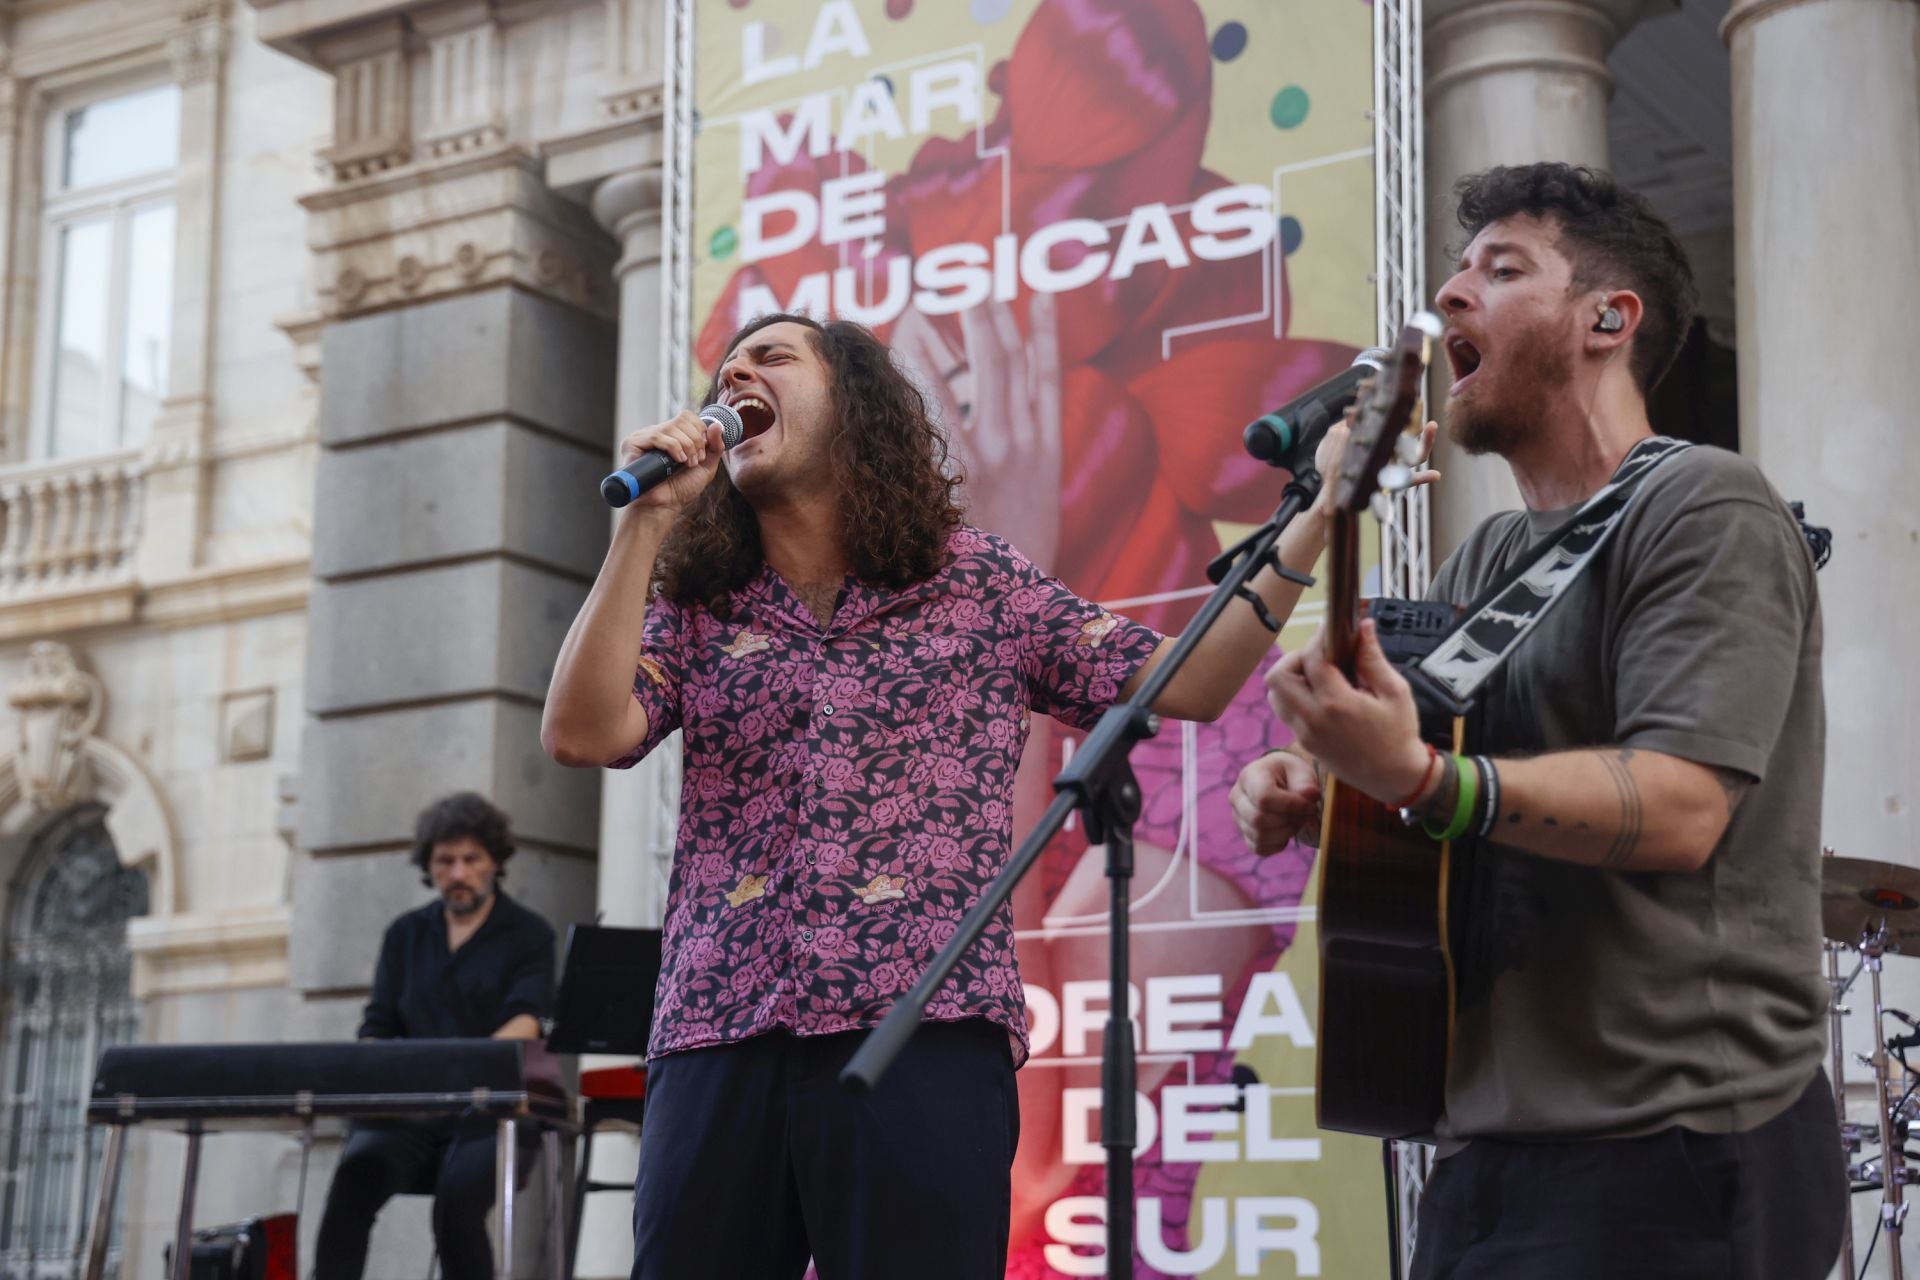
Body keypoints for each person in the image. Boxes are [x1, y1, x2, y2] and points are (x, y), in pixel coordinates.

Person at [538, 309, 1375, 1280]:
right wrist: (643, 523)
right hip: (720, 1023)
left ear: (854, 406)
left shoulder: (975, 582)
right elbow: (582, 731)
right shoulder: (700, 605)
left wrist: (1316, 517)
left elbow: (1187, 679)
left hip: (923, 1034)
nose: (735, 374)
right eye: (724, 368)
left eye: (770, 357)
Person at [1229, 162, 1844, 1279]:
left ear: (1609, 318)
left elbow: (1681, 804)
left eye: (1501, 269)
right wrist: (1331, 793)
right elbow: (1453, 800)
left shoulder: (1703, 503)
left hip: (1678, 1141)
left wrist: (1418, 779)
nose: (1451, 294)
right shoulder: (1487, 560)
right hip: (1484, 1149)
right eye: (1456, 268)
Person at [312, 792, 556, 1280]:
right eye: (445, 861)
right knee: (353, 1178)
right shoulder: (405, 935)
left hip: (494, 1115)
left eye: (471, 859)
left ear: (495, 863)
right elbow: (378, 1025)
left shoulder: (529, 934)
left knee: (457, 1204)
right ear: (429, 866)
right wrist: (374, 1075)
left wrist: (459, 1073)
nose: (458, 873)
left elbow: (527, 1020)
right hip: (409, 1114)